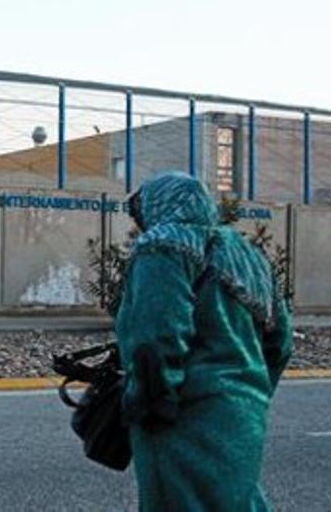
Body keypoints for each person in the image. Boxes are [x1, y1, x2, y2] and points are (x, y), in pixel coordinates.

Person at [116, 172, 293, 511]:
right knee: (238, 500)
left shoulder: (163, 244)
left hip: (184, 412)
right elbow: (281, 341)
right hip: (244, 411)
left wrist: (150, 401)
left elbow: (156, 337)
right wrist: (250, 391)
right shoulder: (247, 255)